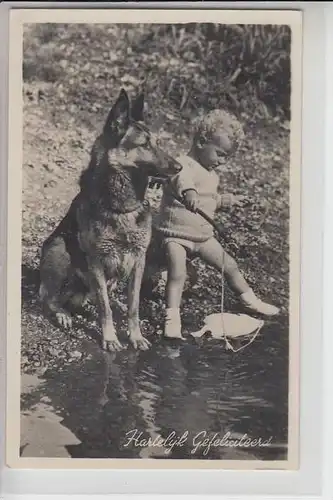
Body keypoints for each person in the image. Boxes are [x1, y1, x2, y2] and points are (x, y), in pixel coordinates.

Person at [153, 109, 280, 339]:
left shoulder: (212, 174)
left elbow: (208, 199)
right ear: (202, 142)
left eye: (227, 157)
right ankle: (172, 317)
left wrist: (227, 200)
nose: (222, 162)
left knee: (229, 265)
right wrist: (189, 192)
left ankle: (249, 300)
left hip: (202, 237)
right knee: (177, 273)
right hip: (177, 235)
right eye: (220, 154)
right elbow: (183, 180)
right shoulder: (183, 164)